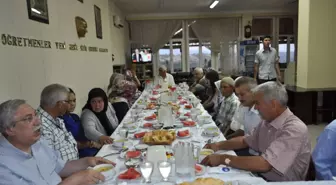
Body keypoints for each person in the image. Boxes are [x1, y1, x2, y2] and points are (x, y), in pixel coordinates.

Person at [202, 82, 311, 181]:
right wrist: (218, 145)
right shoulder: (267, 121)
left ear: (273, 104)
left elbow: (265, 164)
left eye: (258, 103)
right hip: (260, 175)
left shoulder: (294, 129)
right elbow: (245, 141)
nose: (256, 107)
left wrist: (223, 159)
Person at [0, 99, 113, 185]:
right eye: (29, 118)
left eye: (36, 115)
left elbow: (60, 167)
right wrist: (72, 181)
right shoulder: (4, 167)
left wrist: (88, 161)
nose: (38, 121)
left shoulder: (39, 143)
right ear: (10, 129)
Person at [36, 84, 78, 161]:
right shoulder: (40, 125)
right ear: (60, 104)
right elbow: (49, 164)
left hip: (74, 167)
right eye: (67, 102)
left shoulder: (56, 119)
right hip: (65, 172)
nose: (69, 105)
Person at [60, 88, 101, 158]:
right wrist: (91, 144)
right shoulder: (60, 121)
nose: (73, 104)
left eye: (74, 100)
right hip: (81, 155)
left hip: (91, 148)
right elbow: (69, 144)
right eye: (69, 101)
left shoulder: (74, 116)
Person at [226, 77, 261, 156]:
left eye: (242, 94)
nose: (239, 98)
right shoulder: (244, 107)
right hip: (248, 147)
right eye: (237, 94)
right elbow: (244, 133)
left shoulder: (261, 113)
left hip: (258, 155)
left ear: (254, 92)